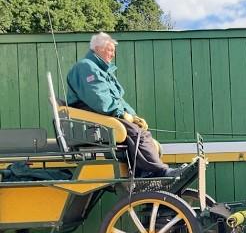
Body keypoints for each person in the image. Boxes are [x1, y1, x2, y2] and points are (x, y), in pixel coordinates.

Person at [66, 32, 181, 178]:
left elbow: (118, 99)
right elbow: (99, 99)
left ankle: (142, 171)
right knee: (135, 132)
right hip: (92, 117)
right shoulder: (86, 67)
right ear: (98, 48)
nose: (113, 54)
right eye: (110, 50)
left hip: (102, 114)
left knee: (137, 128)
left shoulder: (101, 70)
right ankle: (157, 171)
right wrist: (120, 113)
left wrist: (133, 116)